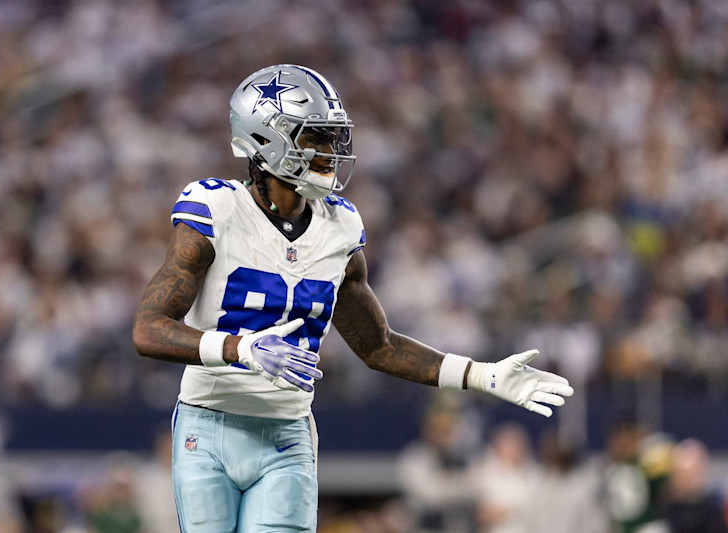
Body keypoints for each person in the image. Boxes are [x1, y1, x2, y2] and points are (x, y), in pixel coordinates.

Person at [131, 64, 575, 533]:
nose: (331, 152)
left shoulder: (339, 228)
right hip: (208, 425)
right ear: (266, 138)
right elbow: (148, 328)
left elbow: (377, 345)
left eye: (333, 138)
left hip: (287, 435)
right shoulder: (216, 209)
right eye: (315, 137)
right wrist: (239, 348)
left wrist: (480, 374)